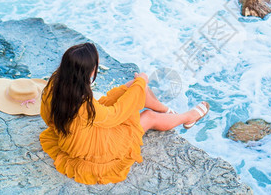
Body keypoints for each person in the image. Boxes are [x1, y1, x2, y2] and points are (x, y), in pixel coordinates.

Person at [39, 42, 209, 184]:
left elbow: (47, 118)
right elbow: (114, 116)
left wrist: (138, 84)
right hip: (95, 149)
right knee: (148, 116)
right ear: (88, 72)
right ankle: (188, 117)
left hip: (80, 130)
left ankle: (166, 110)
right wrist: (142, 81)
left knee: (133, 86)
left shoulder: (56, 82)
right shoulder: (84, 106)